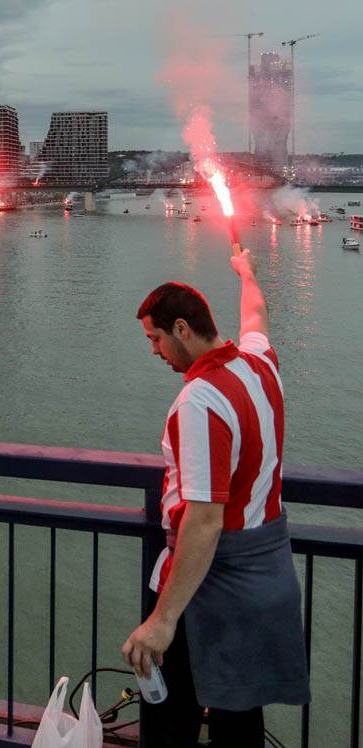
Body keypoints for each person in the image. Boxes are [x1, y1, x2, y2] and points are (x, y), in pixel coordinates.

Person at [122, 250, 310, 748]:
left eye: (156, 339)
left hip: (209, 585)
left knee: (170, 720)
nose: (155, 351)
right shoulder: (260, 364)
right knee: (239, 721)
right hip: (266, 574)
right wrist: (246, 273)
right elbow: (256, 315)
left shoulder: (200, 401)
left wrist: (161, 622)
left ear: (182, 329)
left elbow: (204, 520)